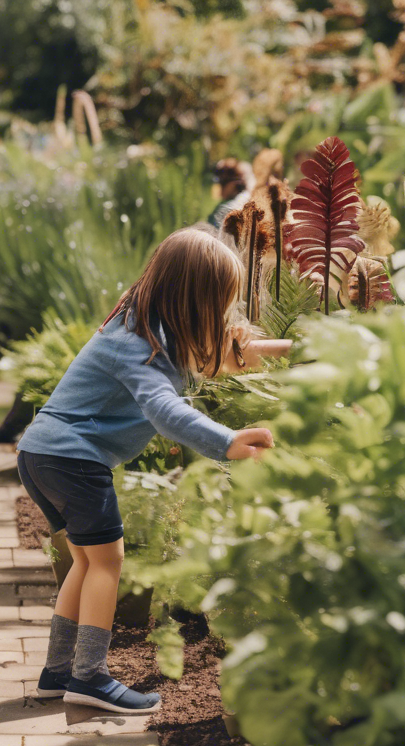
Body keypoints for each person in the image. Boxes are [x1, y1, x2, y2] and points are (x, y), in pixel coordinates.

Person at [16, 225, 290, 714]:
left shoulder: (141, 325)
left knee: (85, 561)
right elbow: (166, 410)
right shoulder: (139, 346)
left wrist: (286, 351)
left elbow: (208, 365)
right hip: (72, 458)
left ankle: (58, 672)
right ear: (195, 298)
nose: (225, 311)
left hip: (44, 455)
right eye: (221, 300)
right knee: (107, 562)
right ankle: (91, 678)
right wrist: (227, 442)